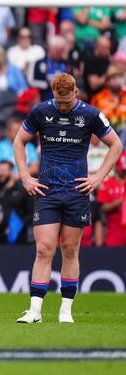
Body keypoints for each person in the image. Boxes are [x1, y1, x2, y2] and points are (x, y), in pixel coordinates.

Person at [14, 73, 122, 324]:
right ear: (53, 93)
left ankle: (65, 311)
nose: (62, 107)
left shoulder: (91, 115)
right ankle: (35, 311)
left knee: (70, 250)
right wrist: (25, 177)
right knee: (44, 249)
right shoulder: (40, 112)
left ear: (75, 92)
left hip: (77, 192)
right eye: (58, 102)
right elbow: (19, 142)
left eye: (67, 102)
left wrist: (98, 179)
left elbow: (115, 145)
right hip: (46, 190)